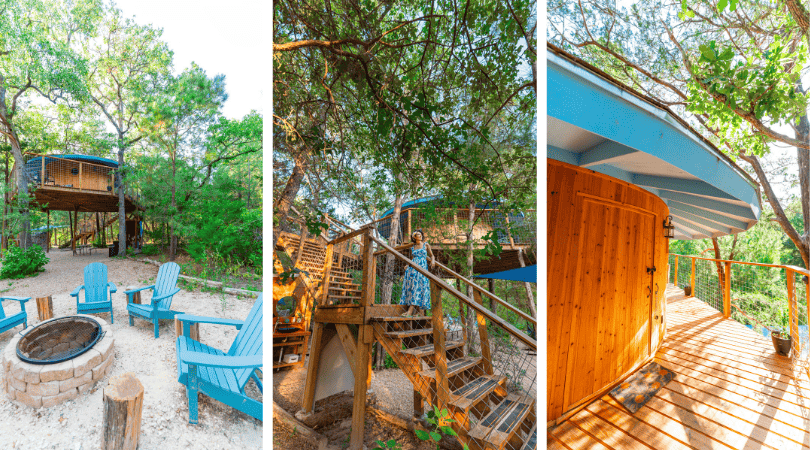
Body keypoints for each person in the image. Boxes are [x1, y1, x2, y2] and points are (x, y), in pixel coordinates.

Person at [399, 230, 435, 317]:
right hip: (413, 269)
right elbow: (412, 258)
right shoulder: (413, 247)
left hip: (422, 267)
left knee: (420, 287)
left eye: (420, 234)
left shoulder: (426, 245)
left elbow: (431, 255)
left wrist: (433, 261)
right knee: (415, 287)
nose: (420, 235)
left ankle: (410, 312)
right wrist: (407, 265)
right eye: (417, 235)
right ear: (414, 237)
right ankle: (420, 313)